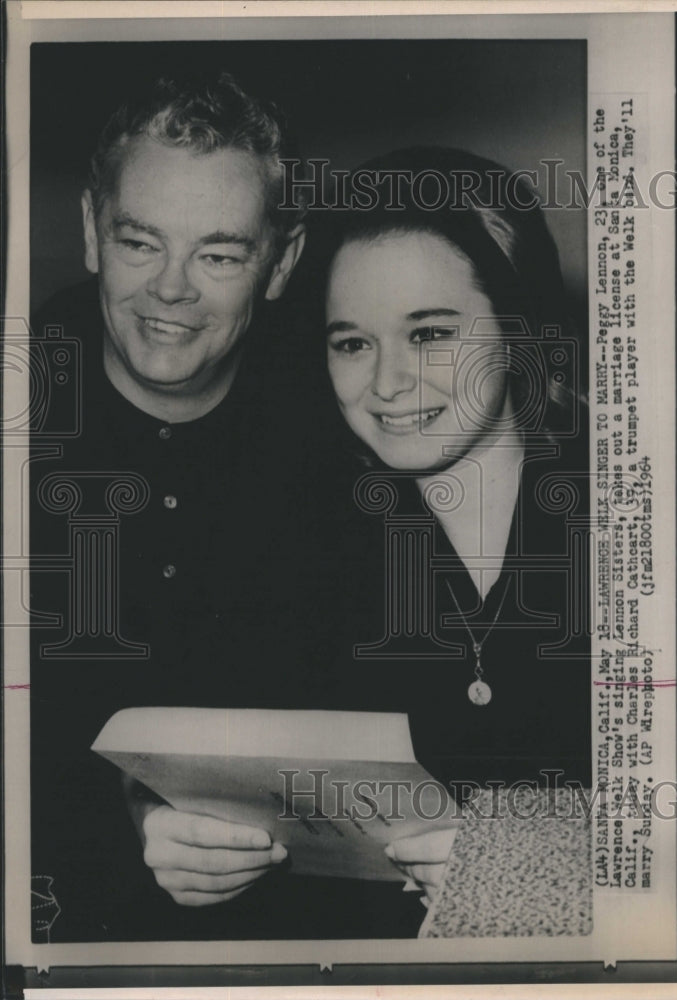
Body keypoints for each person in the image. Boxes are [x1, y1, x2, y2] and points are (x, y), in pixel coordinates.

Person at [29, 72, 325, 941]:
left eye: (220, 254)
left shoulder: (337, 441)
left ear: (281, 263)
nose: (171, 289)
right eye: (140, 243)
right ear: (91, 231)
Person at [317, 147, 592, 908]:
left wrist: (532, 864)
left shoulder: (636, 516)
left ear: (517, 327)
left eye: (431, 333)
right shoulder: (309, 540)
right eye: (351, 342)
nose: (386, 382)